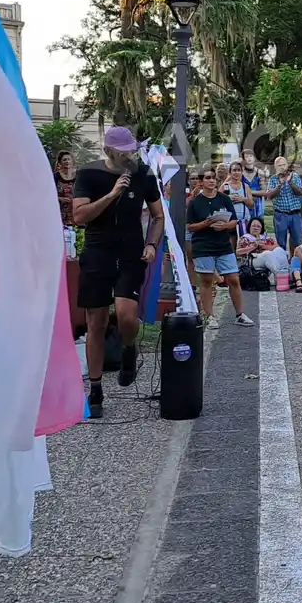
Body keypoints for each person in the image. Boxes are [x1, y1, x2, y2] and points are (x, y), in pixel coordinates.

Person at [71, 126, 165, 416]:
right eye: (124, 152)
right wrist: (112, 194)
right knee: (95, 322)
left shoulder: (144, 173)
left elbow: (158, 215)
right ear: (109, 151)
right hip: (98, 252)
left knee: (126, 315)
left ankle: (128, 349)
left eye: (132, 150)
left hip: (130, 252)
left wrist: (151, 243)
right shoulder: (88, 174)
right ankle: (96, 390)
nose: (130, 156)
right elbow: (79, 217)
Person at [187, 168, 255, 330]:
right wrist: (206, 223)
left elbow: (234, 220)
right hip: (203, 245)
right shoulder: (195, 202)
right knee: (206, 281)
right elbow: (190, 227)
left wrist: (224, 225)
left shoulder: (224, 198)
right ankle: (209, 316)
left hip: (223, 244)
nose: (212, 181)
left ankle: (240, 314)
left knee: (233, 278)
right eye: (208, 178)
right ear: (201, 182)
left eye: (213, 178)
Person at [266, 156, 302, 252]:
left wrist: (290, 182)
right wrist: (279, 185)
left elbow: (300, 192)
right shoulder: (273, 179)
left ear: (287, 165)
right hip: (280, 215)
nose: (282, 167)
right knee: (281, 243)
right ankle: (283, 263)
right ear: (275, 167)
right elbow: (270, 196)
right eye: (279, 165)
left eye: (284, 165)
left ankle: (296, 262)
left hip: (295, 214)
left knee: (298, 241)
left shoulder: (295, 176)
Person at [222, 160, 254, 227]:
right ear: (230, 172)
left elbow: (251, 205)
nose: (236, 172)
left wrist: (243, 199)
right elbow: (217, 202)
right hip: (228, 221)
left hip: (243, 222)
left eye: (239, 170)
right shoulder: (225, 186)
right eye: (234, 170)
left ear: (242, 172)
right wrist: (227, 199)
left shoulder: (246, 186)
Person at [53, 151, 79, 229]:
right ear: (60, 162)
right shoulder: (55, 176)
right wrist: (60, 198)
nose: (67, 161)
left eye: (69, 159)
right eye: (64, 160)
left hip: (76, 211)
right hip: (60, 212)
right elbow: (48, 193)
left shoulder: (79, 175)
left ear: (72, 161)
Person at [240, 150, 266, 218]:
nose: (249, 158)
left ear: (254, 158)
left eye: (251, 156)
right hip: (244, 202)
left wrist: (249, 192)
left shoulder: (260, 173)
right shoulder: (240, 173)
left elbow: (264, 192)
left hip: (257, 203)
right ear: (243, 159)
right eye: (246, 156)